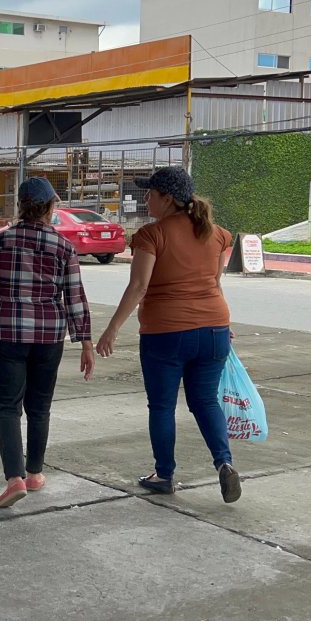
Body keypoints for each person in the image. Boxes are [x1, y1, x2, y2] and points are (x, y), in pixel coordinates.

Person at [94, 166, 241, 504]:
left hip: (167, 332)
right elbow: (214, 283)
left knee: (161, 405)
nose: (146, 198)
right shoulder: (218, 234)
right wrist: (222, 327)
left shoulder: (151, 235)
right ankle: (224, 462)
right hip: (215, 328)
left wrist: (112, 328)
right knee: (205, 401)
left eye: (151, 193)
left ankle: (163, 475)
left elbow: (139, 286)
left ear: (169, 199)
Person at [0, 177, 95, 509]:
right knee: (39, 407)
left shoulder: (1, 242)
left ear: (22, 205)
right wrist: (85, 343)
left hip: (10, 334)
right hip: (50, 336)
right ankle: (35, 474)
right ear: (50, 208)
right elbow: (75, 299)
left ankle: (14, 479)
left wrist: (6, 297)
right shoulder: (64, 247)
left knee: (7, 406)